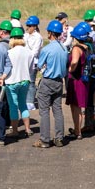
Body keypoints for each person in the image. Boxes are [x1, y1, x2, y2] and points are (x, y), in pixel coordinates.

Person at [34, 20, 69, 148]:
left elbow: (39, 65)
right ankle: (59, 138)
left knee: (44, 111)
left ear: (50, 33)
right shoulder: (64, 48)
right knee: (58, 110)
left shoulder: (47, 49)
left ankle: (45, 140)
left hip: (48, 81)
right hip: (59, 81)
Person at [66, 22, 95, 140]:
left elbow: (74, 62)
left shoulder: (76, 48)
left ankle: (77, 131)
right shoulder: (87, 46)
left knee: (75, 106)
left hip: (76, 79)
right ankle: (78, 129)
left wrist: (70, 69)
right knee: (79, 106)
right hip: (85, 78)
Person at [5, 27, 34, 138]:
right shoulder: (29, 52)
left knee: (13, 106)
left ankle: (15, 130)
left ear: (12, 39)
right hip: (25, 81)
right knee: (23, 105)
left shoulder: (9, 52)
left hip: (11, 81)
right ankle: (27, 128)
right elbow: (31, 70)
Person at [23, 15, 43, 111]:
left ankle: (30, 102)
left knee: (31, 82)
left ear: (35, 26)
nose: (28, 27)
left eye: (30, 26)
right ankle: (25, 100)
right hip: (25, 62)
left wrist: (25, 55)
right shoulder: (25, 35)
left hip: (33, 62)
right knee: (24, 82)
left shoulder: (38, 37)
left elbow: (35, 52)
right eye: (28, 25)